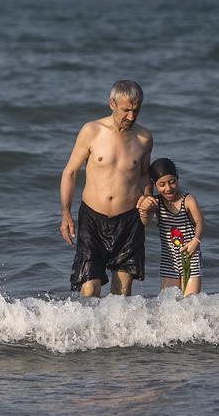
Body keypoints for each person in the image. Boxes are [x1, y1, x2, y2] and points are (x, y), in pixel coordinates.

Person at [60, 80, 154, 297]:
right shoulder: (91, 131)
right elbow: (70, 172)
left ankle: (116, 332)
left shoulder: (144, 138)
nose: (131, 116)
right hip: (92, 219)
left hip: (129, 221)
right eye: (126, 110)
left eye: (136, 111)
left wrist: (147, 200)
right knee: (89, 287)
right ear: (112, 103)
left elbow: (143, 176)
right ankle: (89, 332)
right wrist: (65, 213)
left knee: (121, 294)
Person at [138, 158, 204, 296]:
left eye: (172, 182)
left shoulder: (188, 200)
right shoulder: (157, 203)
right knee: (167, 303)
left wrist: (196, 240)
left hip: (190, 257)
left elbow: (200, 222)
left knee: (191, 303)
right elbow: (145, 223)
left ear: (177, 179)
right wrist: (144, 209)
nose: (168, 188)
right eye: (162, 184)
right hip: (169, 261)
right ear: (154, 185)